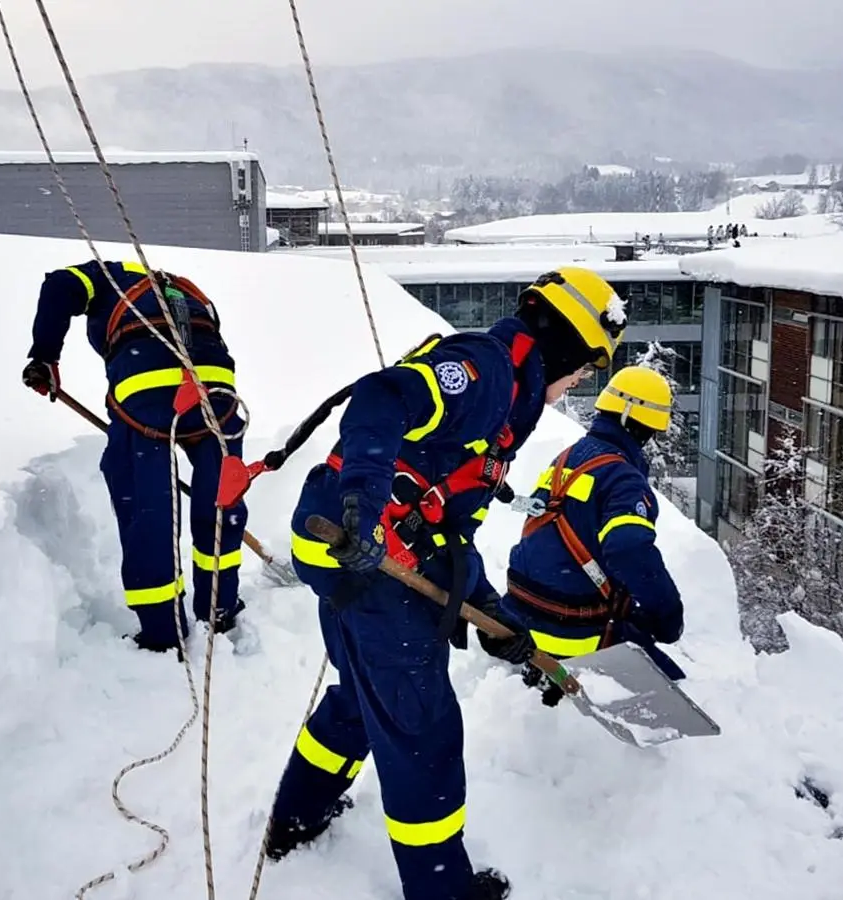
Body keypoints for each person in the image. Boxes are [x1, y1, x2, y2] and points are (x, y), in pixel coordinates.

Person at [264, 267, 628, 900]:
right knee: (423, 736)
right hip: (360, 548)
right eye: (587, 367)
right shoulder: (485, 371)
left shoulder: (508, 400)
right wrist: (364, 502)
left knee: (359, 699)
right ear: (568, 343)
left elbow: (444, 531)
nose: (579, 384)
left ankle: (293, 819)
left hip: (364, 555)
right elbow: (381, 397)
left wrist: (492, 610)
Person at [21, 258, 247, 655]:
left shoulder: (102, 276)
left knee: (149, 508)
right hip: (218, 390)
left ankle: (164, 631)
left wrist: (45, 356)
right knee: (219, 503)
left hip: (146, 388)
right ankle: (220, 610)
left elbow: (59, 285)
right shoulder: (187, 289)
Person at [499, 365, 685, 703]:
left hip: (520, 614)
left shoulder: (566, 460)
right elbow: (629, 551)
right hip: (571, 629)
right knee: (673, 687)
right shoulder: (623, 480)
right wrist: (667, 615)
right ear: (641, 429)